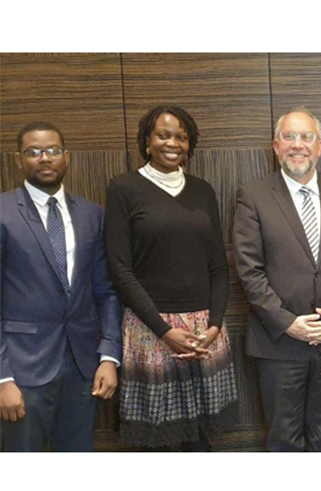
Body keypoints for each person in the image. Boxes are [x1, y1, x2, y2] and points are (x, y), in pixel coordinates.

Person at [233, 109, 321, 452]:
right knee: (284, 440)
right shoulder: (253, 195)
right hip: (278, 342)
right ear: (275, 147)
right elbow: (248, 269)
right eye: (289, 137)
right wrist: (288, 323)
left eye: (306, 137)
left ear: (320, 146)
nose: (298, 145)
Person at [105, 106, 237, 450]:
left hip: (203, 333)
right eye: (163, 135)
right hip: (152, 332)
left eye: (181, 136)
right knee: (157, 445)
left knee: (200, 442)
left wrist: (214, 326)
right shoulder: (123, 188)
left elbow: (218, 268)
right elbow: (120, 270)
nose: (172, 143)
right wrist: (165, 332)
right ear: (147, 142)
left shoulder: (202, 190)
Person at [0, 122, 121, 451]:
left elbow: (105, 291)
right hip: (22, 370)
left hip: (83, 366)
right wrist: (2, 379)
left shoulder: (91, 215)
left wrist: (109, 356)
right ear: (18, 159)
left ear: (66, 157)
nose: (44, 158)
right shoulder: (4, 212)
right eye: (33, 152)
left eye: (53, 150)